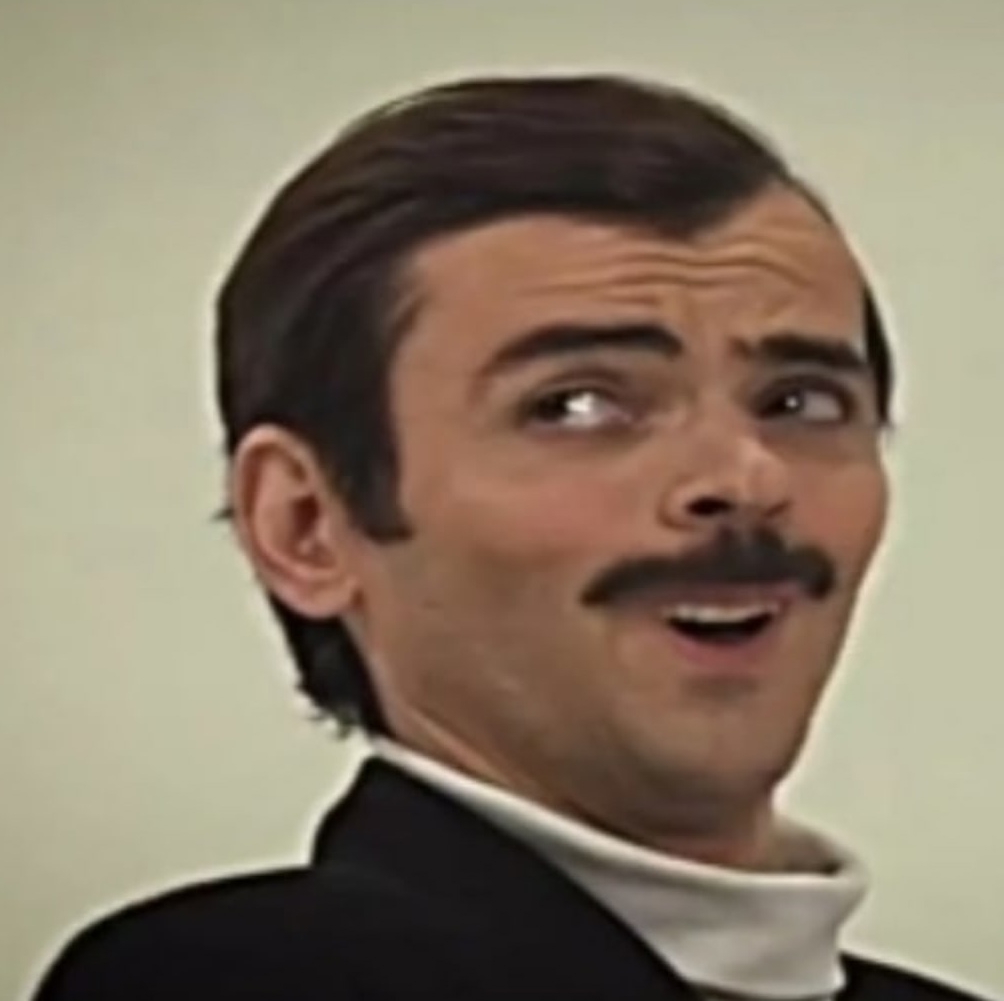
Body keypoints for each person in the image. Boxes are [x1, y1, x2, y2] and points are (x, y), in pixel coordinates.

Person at [32, 74, 990, 1001]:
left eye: (800, 401)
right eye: (577, 405)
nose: (747, 479)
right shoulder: (228, 978)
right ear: (307, 527)